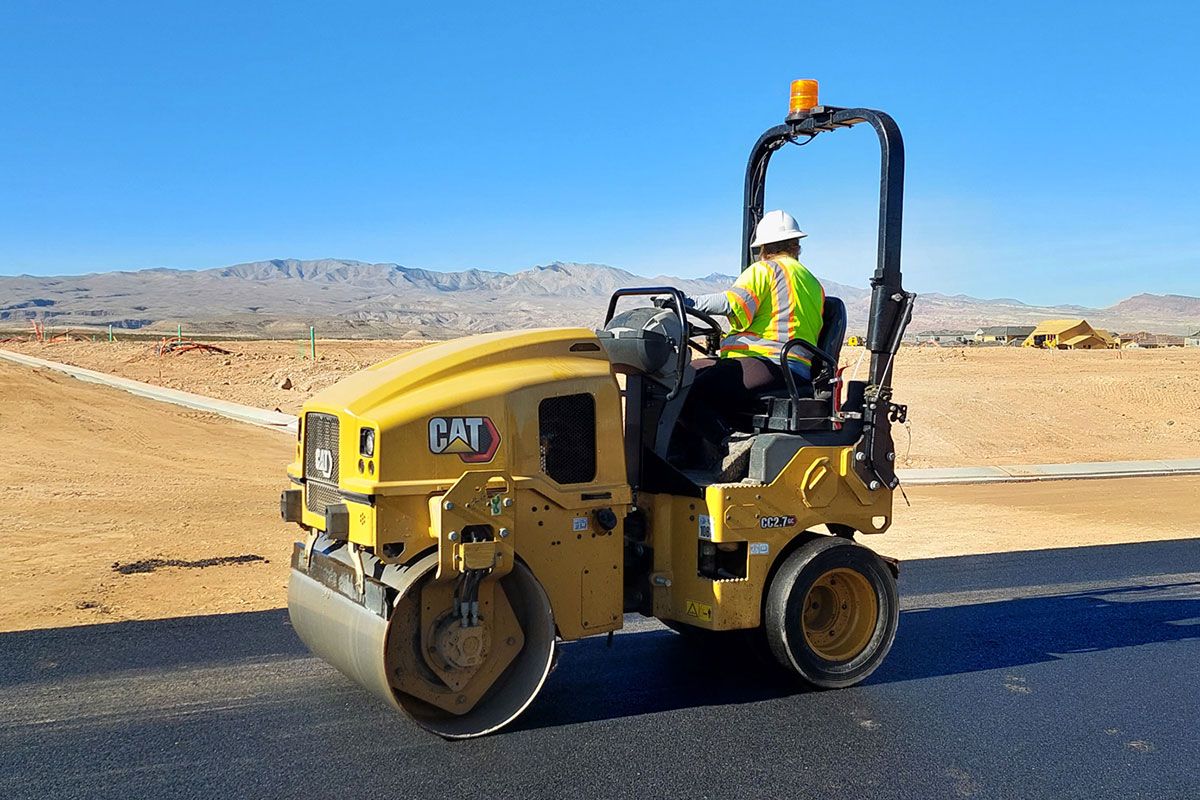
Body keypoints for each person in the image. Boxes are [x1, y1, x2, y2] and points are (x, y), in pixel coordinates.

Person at [682, 209, 826, 439]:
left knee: (684, 387)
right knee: (688, 375)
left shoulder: (765, 270)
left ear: (763, 248)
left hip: (771, 363)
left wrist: (686, 302)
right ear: (796, 245)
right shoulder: (814, 284)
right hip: (794, 369)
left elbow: (733, 303)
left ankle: (715, 452)